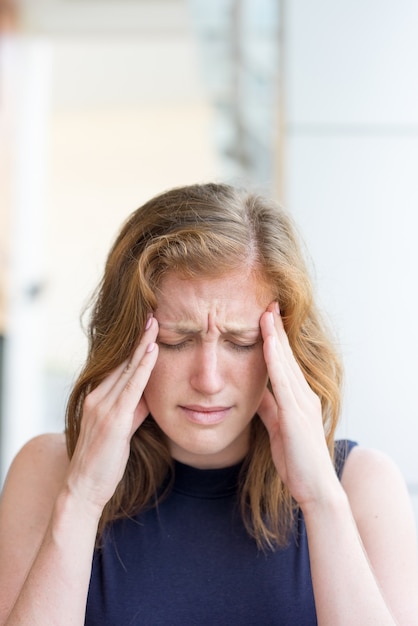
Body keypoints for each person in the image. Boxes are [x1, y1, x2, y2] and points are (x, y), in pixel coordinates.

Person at [0, 182, 417, 625]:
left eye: (241, 342)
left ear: (286, 349)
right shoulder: (48, 472)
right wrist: (82, 498)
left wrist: (319, 497)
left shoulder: (362, 485)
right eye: (176, 340)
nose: (208, 380)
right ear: (125, 342)